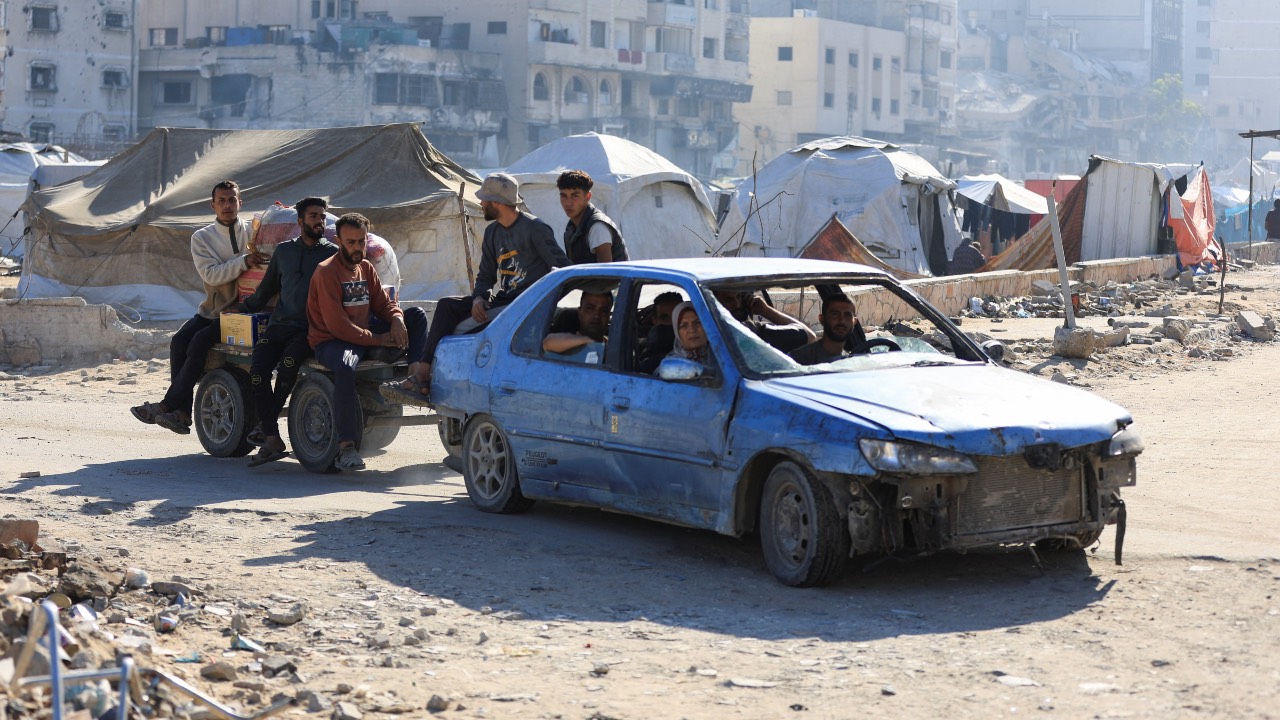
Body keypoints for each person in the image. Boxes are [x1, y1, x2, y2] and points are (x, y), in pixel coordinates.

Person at [381, 173, 569, 404]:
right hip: (501, 301)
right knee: (447, 306)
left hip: (523, 306)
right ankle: (423, 373)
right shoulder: (493, 232)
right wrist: (479, 297)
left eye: (484, 200)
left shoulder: (535, 229)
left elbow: (564, 270)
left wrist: (541, 303)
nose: (480, 204)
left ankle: (426, 379)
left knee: (461, 334)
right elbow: (486, 275)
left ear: (497, 203)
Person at [131, 180, 268, 434]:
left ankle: (172, 406)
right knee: (179, 342)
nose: (227, 205)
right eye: (222, 201)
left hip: (243, 312)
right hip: (213, 310)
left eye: (232, 200)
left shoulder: (254, 232)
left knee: (198, 343)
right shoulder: (202, 238)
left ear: (241, 203)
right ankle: (180, 410)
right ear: (213, 205)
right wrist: (244, 261)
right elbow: (213, 276)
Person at [307, 213, 428, 471]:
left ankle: (414, 378)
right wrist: (381, 338)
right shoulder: (326, 272)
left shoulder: (366, 267)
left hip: (363, 334)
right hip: (334, 342)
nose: (357, 248)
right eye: (351, 242)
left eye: (361, 242)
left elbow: (384, 303)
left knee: (416, 316)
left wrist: (396, 319)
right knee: (346, 366)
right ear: (339, 241)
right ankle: (346, 447)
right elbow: (337, 326)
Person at [242, 197, 338, 467]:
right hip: (279, 325)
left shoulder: (331, 253)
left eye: (322, 216)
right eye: (313, 216)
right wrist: (240, 308)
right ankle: (272, 437)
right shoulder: (283, 252)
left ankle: (267, 433)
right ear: (300, 221)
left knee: (287, 370)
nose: (319, 221)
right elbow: (266, 290)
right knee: (258, 373)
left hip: (308, 329)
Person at [557, 170, 629, 264]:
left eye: (575, 196)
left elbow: (606, 273)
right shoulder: (572, 226)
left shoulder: (597, 227)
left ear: (587, 196)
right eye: (564, 196)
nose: (568, 202)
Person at [713, 290, 815, 353]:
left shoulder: (708, 330)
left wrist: (764, 310)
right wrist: (766, 311)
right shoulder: (749, 331)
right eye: (728, 299)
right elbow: (809, 336)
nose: (737, 304)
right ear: (714, 302)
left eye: (739, 296)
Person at [789, 294, 862, 366]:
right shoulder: (800, 359)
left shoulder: (853, 362)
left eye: (847, 315)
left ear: (854, 322)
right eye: (835, 314)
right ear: (822, 319)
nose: (842, 321)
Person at [541, 290, 612, 364]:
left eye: (604, 311)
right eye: (590, 309)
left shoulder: (613, 347)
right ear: (580, 312)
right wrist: (589, 341)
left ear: (609, 316)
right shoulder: (566, 343)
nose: (597, 315)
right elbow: (547, 343)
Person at [638, 291, 682, 373]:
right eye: (665, 317)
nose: (672, 323)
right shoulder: (648, 361)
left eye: (676, 317)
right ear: (654, 320)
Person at [660, 301, 712, 371]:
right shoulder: (670, 366)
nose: (692, 330)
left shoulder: (723, 353)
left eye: (698, 322)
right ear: (677, 333)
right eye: (684, 325)